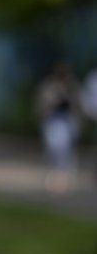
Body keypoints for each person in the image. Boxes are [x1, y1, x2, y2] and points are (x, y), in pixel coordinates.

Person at [35, 61, 81, 193]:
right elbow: (42, 103)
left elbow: (78, 103)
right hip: (53, 121)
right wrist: (54, 103)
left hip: (67, 121)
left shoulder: (72, 86)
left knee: (66, 149)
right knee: (54, 147)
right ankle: (55, 174)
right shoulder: (49, 86)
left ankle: (65, 176)